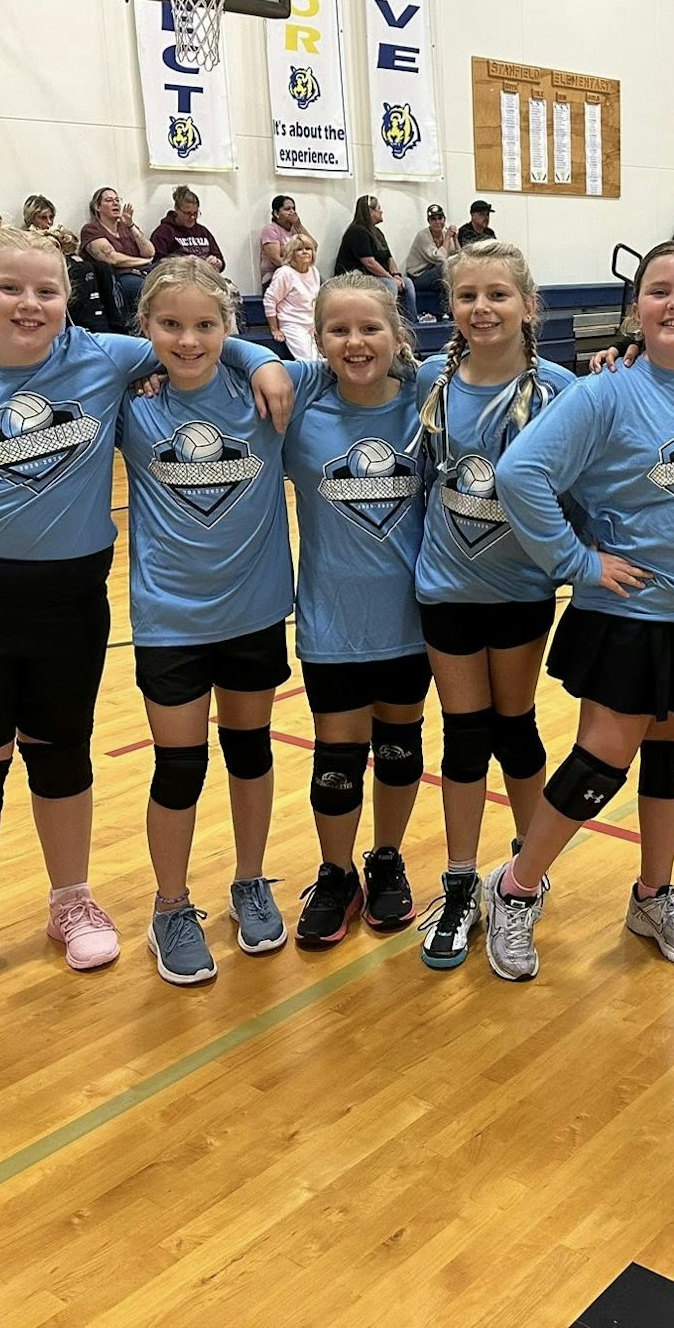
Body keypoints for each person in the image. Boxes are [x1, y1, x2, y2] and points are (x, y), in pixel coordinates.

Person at [0, 221, 293, 1023]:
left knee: (60, 754)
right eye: (9, 289)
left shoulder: (105, 361)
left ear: (71, 299)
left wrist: (261, 355)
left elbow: (203, 336)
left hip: (70, 605)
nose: (28, 304)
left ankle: (73, 902)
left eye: (46, 290)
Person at [484, 241, 674, 982]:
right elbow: (520, 475)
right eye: (658, 291)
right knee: (600, 761)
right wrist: (578, 563)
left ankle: (653, 893)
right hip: (631, 611)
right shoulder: (604, 393)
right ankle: (516, 889)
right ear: (637, 307)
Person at [114, 257, 332, 985]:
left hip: (254, 612)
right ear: (145, 329)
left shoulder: (267, 391)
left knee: (250, 752)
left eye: (207, 325)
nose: (188, 340)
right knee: (179, 768)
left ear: (228, 325)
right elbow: (51, 356)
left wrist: (259, 357)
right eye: (170, 325)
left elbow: (365, 355)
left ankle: (249, 880)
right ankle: (171, 905)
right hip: (170, 619)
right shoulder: (130, 402)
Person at [411, 240, 577, 969]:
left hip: (520, 589)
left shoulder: (563, 392)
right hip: (446, 588)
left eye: (498, 295)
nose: (483, 308)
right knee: (463, 733)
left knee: (516, 726)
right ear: (451, 308)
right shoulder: (429, 381)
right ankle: (456, 882)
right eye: (468, 295)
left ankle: (523, 874)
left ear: (528, 306)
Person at [282, 274, 430, 948]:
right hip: (332, 620)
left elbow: (510, 376)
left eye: (369, 328)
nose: (356, 341)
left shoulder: (429, 403)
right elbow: (225, 364)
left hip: (410, 618)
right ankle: (337, 872)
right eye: (338, 330)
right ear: (318, 342)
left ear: (397, 336)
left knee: (400, 749)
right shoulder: (298, 414)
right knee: (337, 758)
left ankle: (387, 857)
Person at [335, 194, 426, 324]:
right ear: (370, 212)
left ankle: (412, 322)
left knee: (408, 283)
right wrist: (390, 278)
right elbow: (369, 263)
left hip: (379, 276)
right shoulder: (357, 231)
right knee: (390, 285)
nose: (381, 211)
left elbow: (389, 258)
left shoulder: (377, 232)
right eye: (379, 208)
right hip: (356, 277)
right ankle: (390, 323)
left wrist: (396, 275)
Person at [80, 187, 156, 321]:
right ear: (97, 207)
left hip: (143, 272)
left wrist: (131, 225)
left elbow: (150, 251)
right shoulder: (91, 229)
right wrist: (144, 261)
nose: (115, 203)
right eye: (109, 200)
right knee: (148, 289)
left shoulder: (126, 227)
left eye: (117, 200)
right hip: (119, 278)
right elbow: (112, 258)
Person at [263, 234, 323, 361]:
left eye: (308, 249)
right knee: (309, 360)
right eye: (299, 249)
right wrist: (275, 329)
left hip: (312, 324)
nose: (305, 252)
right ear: (291, 254)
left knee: (324, 357)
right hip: (293, 324)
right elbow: (270, 300)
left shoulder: (314, 271)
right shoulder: (285, 273)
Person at [150, 186, 227, 279]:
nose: (192, 218)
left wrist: (217, 262)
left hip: (206, 278)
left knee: (232, 291)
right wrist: (184, 263)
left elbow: (221, 262)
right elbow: (156, 266)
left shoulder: (203, 231)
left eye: (195, 213)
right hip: (179, 280)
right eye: (188, 213)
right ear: (177, 210)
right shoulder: (163, 233)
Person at [404, 203, 455, 315]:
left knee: (453, 271)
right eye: (433, 219)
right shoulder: (423, 236)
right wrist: (447, 238)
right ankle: (451, 311)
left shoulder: (446, 233)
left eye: (440, 218)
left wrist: (455, 238)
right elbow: (439, 258)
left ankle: (447, 312)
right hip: (418, 277)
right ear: (429, 221)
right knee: (444, 268)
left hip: (434, 274)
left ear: (444, 219)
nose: (437, 222)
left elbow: (457, 255)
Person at [258, 195, 303, 286]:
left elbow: (313, 246)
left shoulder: (295, 230)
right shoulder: (270, 229)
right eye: (287, 209)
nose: (292, 212)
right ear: (276, 213)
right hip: (274, 276)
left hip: (297, 273)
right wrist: (297, 270)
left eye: (293, 208)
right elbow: (276, 260)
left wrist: (299, 225)